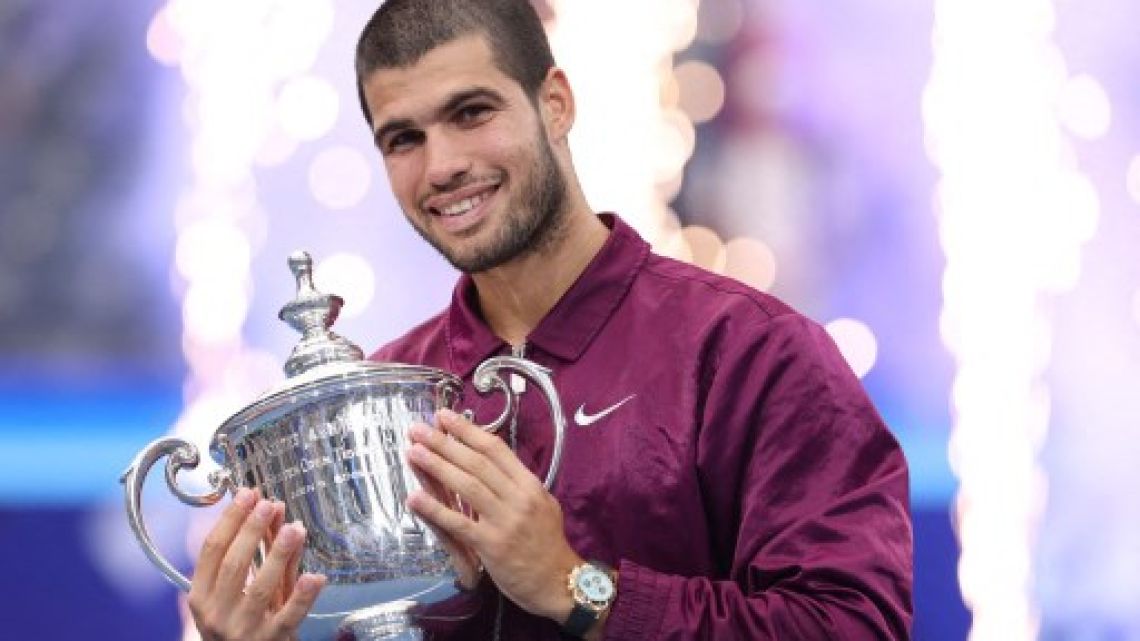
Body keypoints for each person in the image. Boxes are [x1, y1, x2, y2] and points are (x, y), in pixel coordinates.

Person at [186, 0, 914, 639]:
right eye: (403, 138)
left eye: (471, 112)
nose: (440, 165)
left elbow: (852, 625)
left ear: (556, 103)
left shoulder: (750, 352)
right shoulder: (384, 400)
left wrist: (579, 587)